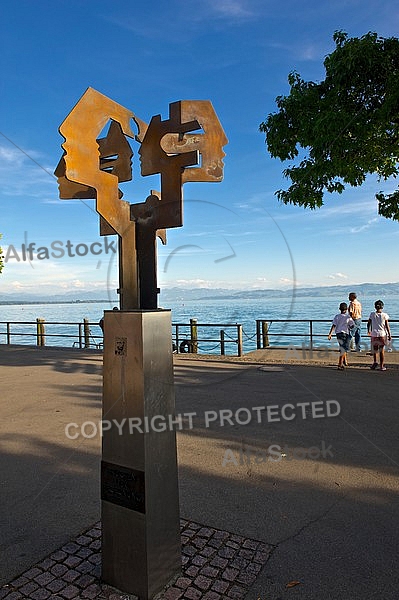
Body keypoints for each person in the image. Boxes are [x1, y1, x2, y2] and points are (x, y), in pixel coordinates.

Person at [328, 302, 355, 370]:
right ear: (347, 309)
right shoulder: (348, 317)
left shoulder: (337, 316)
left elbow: (334, 325)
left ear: (339, 309)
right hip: (345, 333)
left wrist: (330, 334)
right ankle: (340, 364)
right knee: (343, 349)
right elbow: (352, 326)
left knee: (342, 347)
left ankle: (344, 361)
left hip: (338, 333)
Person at [367, 300, 391, 371]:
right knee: (381, 350)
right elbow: (387, 326)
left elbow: (368, 323)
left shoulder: (372, 314)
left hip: (374, 334)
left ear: (375, 306)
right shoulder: (385, 315)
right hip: (382, 334)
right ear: (382, 307)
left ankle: (375, 362)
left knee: (375, 350)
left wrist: (368, 330)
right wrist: (389, 334)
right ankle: (381, 365)